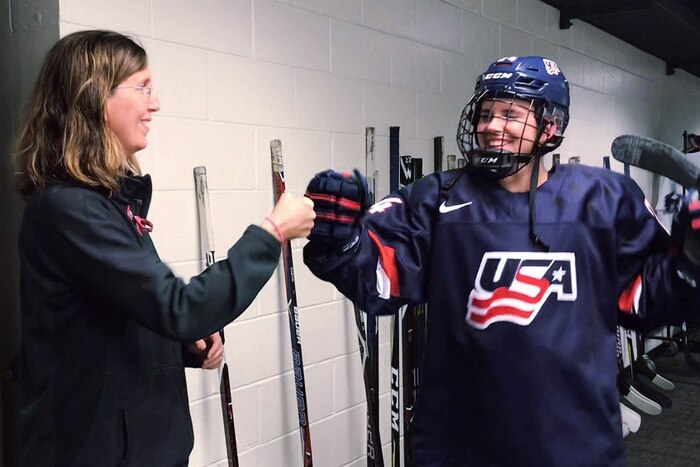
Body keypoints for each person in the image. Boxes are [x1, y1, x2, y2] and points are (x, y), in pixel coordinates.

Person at [302, 55, 700, 465]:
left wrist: (693, 258)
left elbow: (647, 300)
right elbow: (378, 279)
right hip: (458, 447)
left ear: (551, 126)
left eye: (510, 113)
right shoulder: (436, 199)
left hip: (575, 445)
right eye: (486, 113)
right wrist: (342, 241)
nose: (491, 126)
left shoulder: (604, 200)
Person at [15, 30, 315, 466]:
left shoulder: (107, 204)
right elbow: (179, 307)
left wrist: (179, 344)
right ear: (96, 96)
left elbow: (127, 314)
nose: (154, 104)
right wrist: (272, 233)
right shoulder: (72, 210)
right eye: (143, 88)